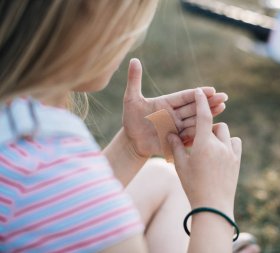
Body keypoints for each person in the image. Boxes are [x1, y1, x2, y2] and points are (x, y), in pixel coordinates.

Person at [0, 1, 260, 252]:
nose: (135, 36)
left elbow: (57, 210)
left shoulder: (20, 134)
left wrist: (132, 148)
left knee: (162, 178)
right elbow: (67, 194)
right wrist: (214, 205)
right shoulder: (47, 172)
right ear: (93, 9)